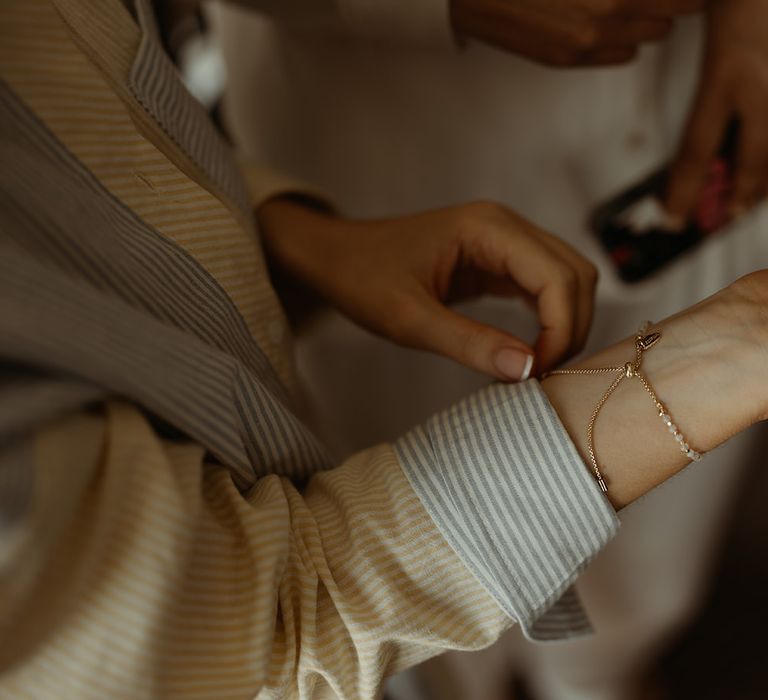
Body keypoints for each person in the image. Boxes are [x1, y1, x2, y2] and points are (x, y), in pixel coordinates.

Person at [1, 2, 767, 700]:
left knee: (650, 579)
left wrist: (291, 235)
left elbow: (94, 103)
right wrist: (703, 363)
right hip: (381, 152)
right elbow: (265, 631)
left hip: (677, 146)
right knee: (431, 656)